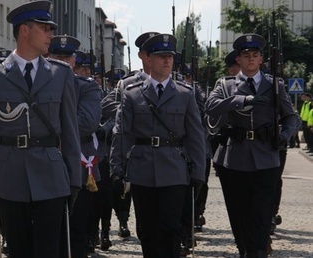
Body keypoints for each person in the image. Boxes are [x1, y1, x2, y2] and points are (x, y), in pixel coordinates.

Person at [0, 1, 81, 257]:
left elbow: (70, 131)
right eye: (45, 28)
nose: (50, 35)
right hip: (10, 176)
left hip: (52, 176)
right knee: (17, 249)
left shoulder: (61, 73)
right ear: (25, 31)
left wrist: (74, 179)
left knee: (48, 250)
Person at [110, 33, 206, 257]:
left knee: (170, 229)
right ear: (148, 60)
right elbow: (122, 134)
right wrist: (116, 169)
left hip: (174, 169)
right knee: (147, 230)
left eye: (170, 57)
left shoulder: (185, 94)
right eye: (161, 56)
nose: (167, 61)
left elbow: (196, 135)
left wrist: (199, 172)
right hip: (142, 169)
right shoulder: (132, 94)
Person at [205, 33, 296, 257]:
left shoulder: (275, 85)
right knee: (238, 211)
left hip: (267, 156)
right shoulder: (225, 85)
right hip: (235, 157)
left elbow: (292, 118)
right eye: (246, 55)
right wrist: (243, 100)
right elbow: (211, 106)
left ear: (262, 59)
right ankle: (244, 248)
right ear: (238, 59)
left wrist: (284, 137)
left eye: (255, 55)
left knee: (262, 212)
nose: (251, 59)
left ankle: (257, 251)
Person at [100, 31, 160, 243]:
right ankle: (123, 221)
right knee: (126, 194)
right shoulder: (126, 84)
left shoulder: (175, 84)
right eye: (150, 52)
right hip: (135, 149)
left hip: (166, 155)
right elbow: (106, 104)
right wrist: (129, 111)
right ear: (143, 55)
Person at [48, 34, 102, 258]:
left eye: (67, 57)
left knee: (77, 232)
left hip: (79, 168)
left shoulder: (86, 87)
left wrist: (49, 126)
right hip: (45, 166)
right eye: (56, 56)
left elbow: (87, 124)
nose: (62, 61)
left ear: (73, 61)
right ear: (47, 57)